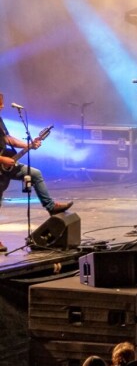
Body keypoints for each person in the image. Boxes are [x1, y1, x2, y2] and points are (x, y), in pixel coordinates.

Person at [0, 93, 72, 251]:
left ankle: (51, 206)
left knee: (35, 174)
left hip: (7, 165)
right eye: (0, 104)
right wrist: (2, 160)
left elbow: (8, 139)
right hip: (2, 162)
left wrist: (28, 144)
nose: (3, 107)